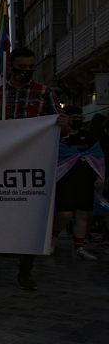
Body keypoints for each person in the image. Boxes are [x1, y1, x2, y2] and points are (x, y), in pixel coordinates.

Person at [0, 46, 68, 290]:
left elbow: (61, 129)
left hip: (32, 167)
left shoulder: (44, 93)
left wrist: (61, 123)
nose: (26, 72)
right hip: (1, 166)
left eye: (30, 67)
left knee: (29, 219)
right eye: (21, 67)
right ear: (12, 67)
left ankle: (25, 271)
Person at [54, 106, 100, 260]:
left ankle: (80, 247)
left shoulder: (89, 136)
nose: (78, 120)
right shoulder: (57, 138)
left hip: (85, 181)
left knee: (82, 213)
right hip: (65, 180)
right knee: (65, 214)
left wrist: (100, 177)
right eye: (74, 117)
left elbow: (98, 157)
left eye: (80, 117)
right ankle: (54, 236)